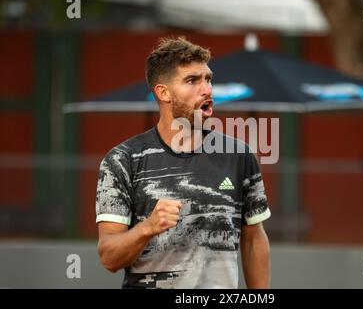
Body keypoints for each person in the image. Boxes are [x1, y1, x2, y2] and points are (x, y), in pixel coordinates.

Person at [95, 37, 271, 289]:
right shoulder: (122, 160)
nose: (207, 89)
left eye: (208, 79)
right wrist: (149, 227)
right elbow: (109, 257)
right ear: (163, 92)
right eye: (192, 80)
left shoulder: (238, 156)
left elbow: (254, 239)